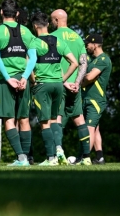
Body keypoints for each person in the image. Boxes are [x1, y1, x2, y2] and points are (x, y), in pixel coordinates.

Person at [0, 0, 38, 166]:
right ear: (17, 14)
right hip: (23, 79)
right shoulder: (26, 32)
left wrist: (8, 78)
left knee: (9, 119)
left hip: (5, 81)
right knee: (24, 118)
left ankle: (21, 158)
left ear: (2, 12)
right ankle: (26, 158)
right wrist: (24, 77)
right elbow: (33, 58)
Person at [30, 12, 78, 166]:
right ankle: (59, 150)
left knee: (44, 122)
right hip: (58, 85)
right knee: (55, 119)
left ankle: (51, 158)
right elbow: (74, 62)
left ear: (35, 26)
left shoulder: (34, 43)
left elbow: (29, 65)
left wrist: (33, 80)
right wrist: (63, 79)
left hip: (42, 85)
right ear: (48, 25)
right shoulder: (59, 41)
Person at [49, 9, 92, 164]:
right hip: (75, 86)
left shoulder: (52, 37)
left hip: (60, 84)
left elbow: (51, 61)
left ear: (55, 20)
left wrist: (64, 81)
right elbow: (83, 63)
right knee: (79, 119)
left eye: (51, 20)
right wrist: (77, 83)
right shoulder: (78, 38)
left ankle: (59, 153)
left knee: (56, 118)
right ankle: (87, 158)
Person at [81, 34, 112, 165]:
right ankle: (99, 157)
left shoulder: (103, 59)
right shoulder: (94, 60)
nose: (86, 46)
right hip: (89, 98)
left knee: (89, 127)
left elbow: (89, 77)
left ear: (94, 45)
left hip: (95, 100)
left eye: (88, 44)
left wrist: (80, 81)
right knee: (95, 128)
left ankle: (85, 157)